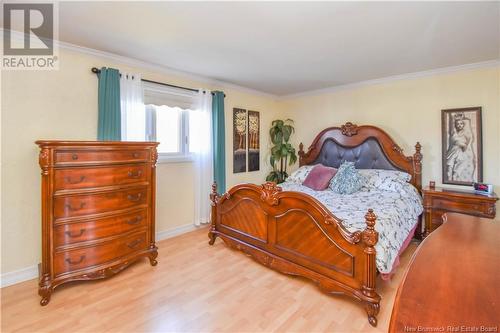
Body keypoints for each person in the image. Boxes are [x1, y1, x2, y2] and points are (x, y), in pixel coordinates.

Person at [446, 113, 476, 182]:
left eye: (461, 124)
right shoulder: (454, 132)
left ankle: (455, 181)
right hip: (453, 152)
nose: (459, 125)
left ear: (463, 124)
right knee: (449, 169)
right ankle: (450, 181)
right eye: (458, 124)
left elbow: (467, 144)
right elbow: (453, 138)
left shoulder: (466, 133)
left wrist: (462, 144)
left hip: (461, 153)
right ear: (455, 125)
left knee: (457, 171)